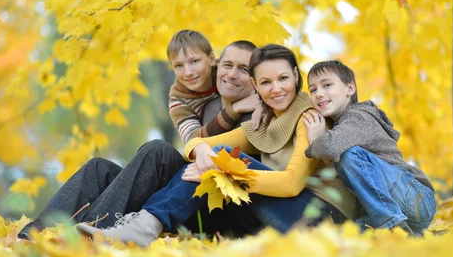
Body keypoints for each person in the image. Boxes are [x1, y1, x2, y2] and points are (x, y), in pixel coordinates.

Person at [78, 45, 358, 246]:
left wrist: (226, 172)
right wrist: (203, 155)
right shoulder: (264, 124)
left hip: (323, 218)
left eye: (283, 79)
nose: (276, 89)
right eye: (265, 82)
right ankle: (140, 225)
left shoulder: (308, 117)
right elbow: (197, 142)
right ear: (255, 86)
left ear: (296, 77)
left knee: (223, 158)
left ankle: (145, 226)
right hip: (283, 214)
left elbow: (292, 184)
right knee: (214, 156)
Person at [17, 34, 260, 239]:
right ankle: (36, 234)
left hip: (211, 198)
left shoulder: (243, 86)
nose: (188, 72)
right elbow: (192, 140)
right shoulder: (180, 98)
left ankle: (95, 229)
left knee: (158, 151)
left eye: (194, 61)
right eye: (179, 66)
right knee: (97, 168)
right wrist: (233, 110)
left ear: (211, 59)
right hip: (189, 175)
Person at [302, 59, 436, 236]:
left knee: (348, 156)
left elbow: (329, 148)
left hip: (415, 196)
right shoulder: (341, 125)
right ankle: (412, 235)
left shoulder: (359, 116)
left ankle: (394, 227)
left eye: (327, 85)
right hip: (396, 206)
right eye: (313, 89)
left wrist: (315, 138)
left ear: (350, 88)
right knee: (347, 234)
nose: (319, 93)